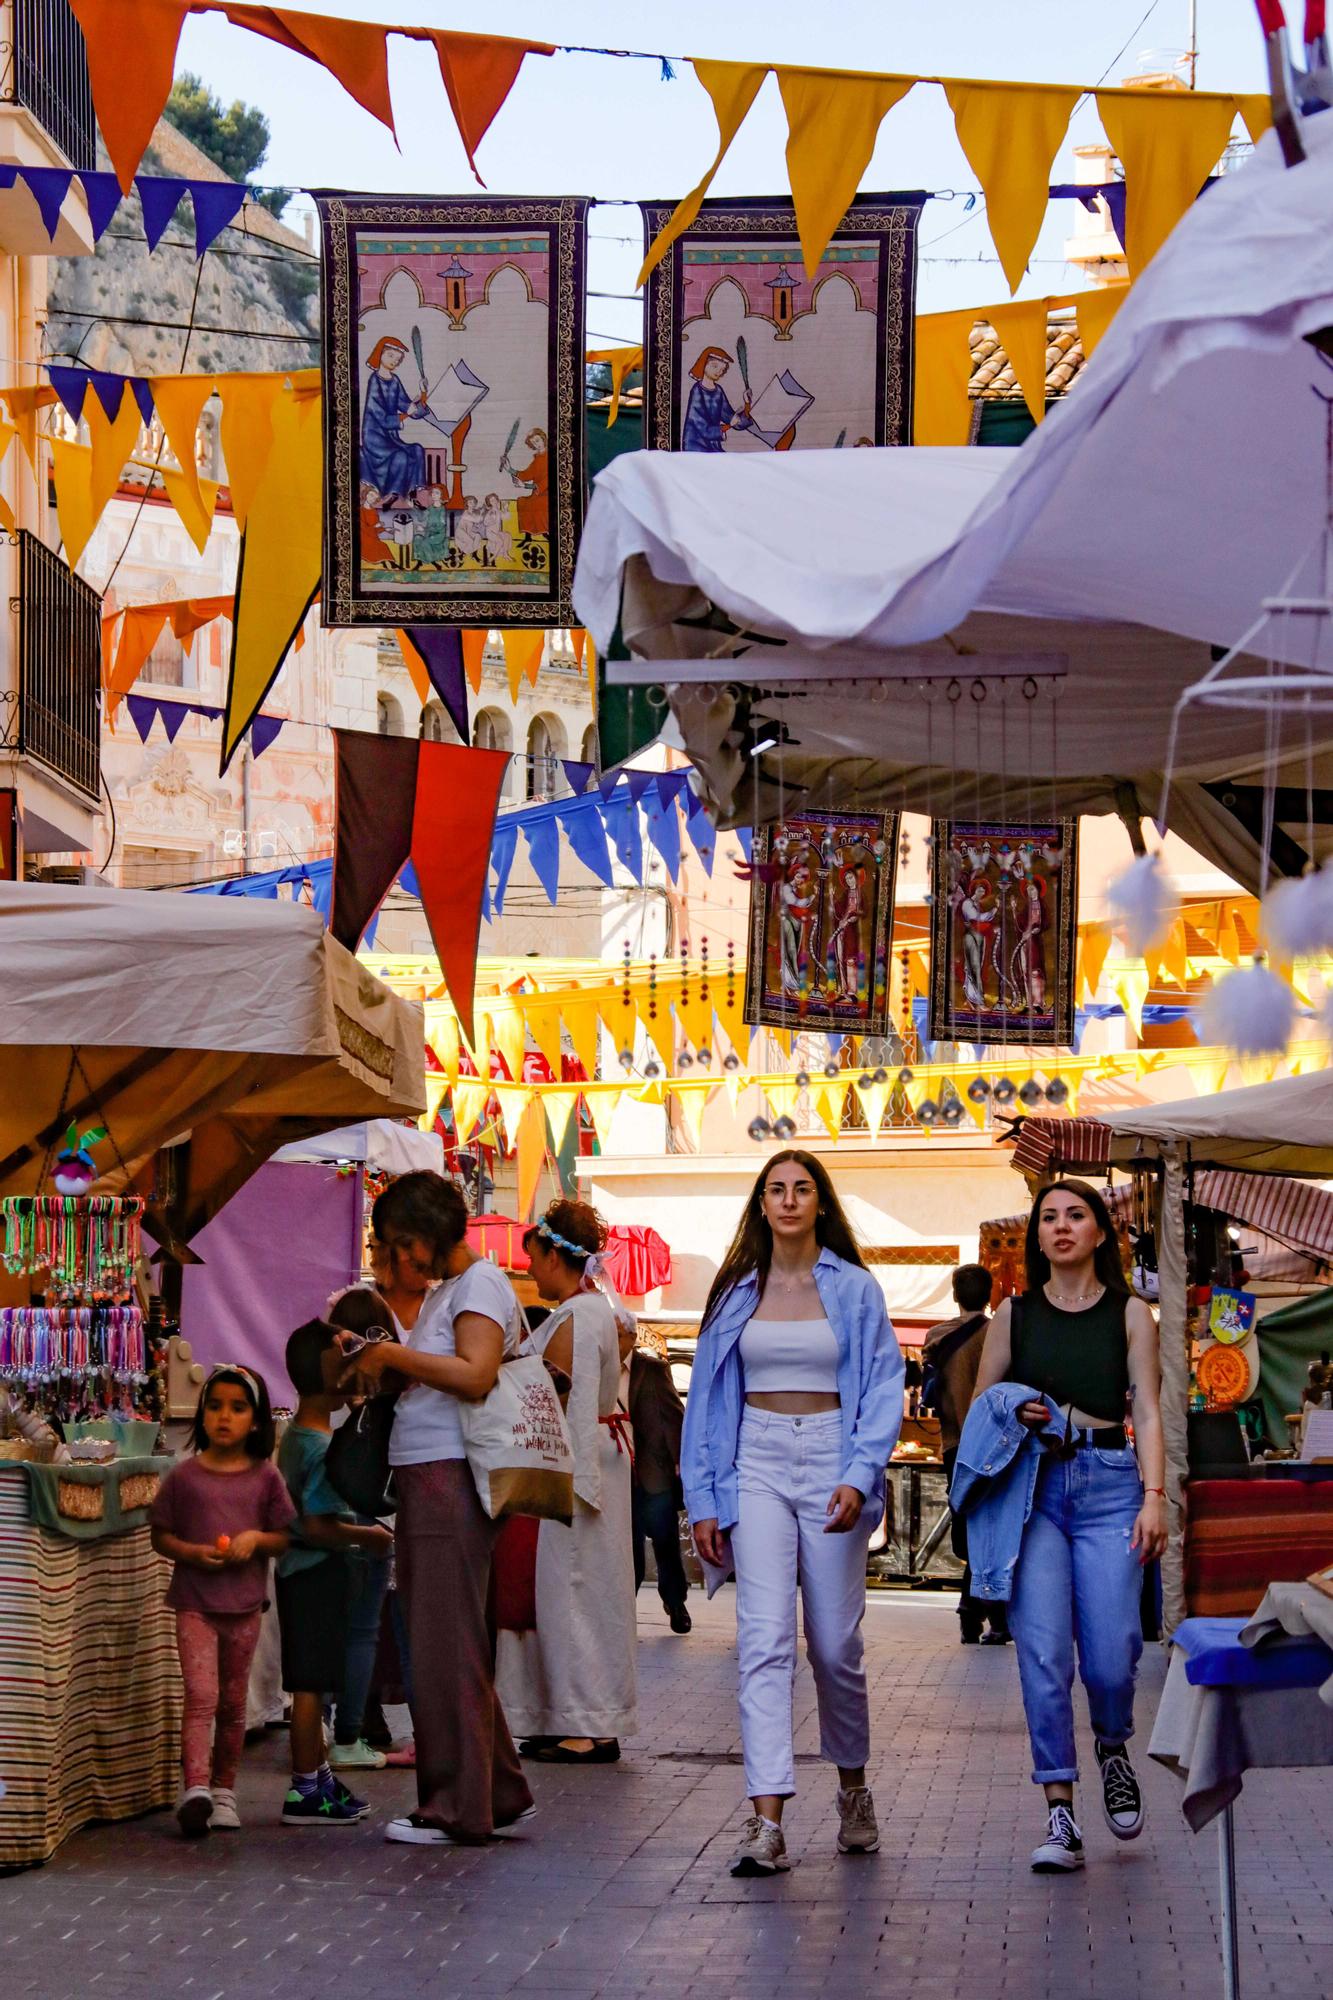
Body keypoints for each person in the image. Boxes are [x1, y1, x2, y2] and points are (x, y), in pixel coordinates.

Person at [683, 1150, 905, 1876]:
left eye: (800, 1189)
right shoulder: (732, 1295)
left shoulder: (855, 1289)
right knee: (763, 1640)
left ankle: (851, 1787)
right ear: (760, 1204)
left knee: (835, 1647)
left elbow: (881, 1387)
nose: (787, 1201)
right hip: (757, 1457)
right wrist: (705, 1498)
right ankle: (765, 1820)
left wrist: (858, 1470)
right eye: (774, 1190)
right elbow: (706, 1407)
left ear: (818, 1202)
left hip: (832, 1456)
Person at [972, 1179, 1167, 1874]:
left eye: (1074, 1215)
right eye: (1047, 1217)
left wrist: (1154, 1496)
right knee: (1044, 1657)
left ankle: (1112, 1747)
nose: (1060, 1227)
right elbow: (980, 1406)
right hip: (1033, 1491)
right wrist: (1011, 1406)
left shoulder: (1129, 1314)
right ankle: (1059, 1810)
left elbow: (1145, 1408)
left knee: (1113, 1655)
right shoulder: (1012, 1317)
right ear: (1037, 1236)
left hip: (1113, 1486)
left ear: (1096, 1233)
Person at [347, 1171, 534, 1845]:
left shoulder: (477, 1285)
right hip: (435, 1475)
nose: (393, 1259)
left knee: (441, 1645)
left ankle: (454, 1806)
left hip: (446, 1475)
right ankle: (498, 1789)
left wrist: (390, 1352)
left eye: (393, 1244)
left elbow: (476, 1372)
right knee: (451, 1642)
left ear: (418, 1238)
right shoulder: (452, 1292)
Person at [497, 1199, 638, 1761]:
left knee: (573, 1594)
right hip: (590, 1464)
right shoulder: (594, 1312)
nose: (530, 1270)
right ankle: (581, 1718)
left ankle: (583, 1723)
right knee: (582, 1596)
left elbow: (569, 1402)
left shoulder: (578, 1318)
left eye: (534, 1257)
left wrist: (573, 1484)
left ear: (557, 1255)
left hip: (575, 1473)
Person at [149, 1365, 293, 1836]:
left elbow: (283, 1537)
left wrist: (255, 1539)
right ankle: (196, 1787)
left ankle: (225, 1789)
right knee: (202, 1696)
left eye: (236, 1408)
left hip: (246, 1608)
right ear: (201, 1416)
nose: (224, 1417)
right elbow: (161, 1536)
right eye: (214, 1407)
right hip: (194, 1604)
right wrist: (191, 1552)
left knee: (233, 1703)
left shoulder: (266, 1478)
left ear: (255, 1420)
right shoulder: (184, 1478)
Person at [276, 1319, 393, 1827]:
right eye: (345, 1357)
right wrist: (373, 1537)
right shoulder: (319, 1447)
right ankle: (305, 1789)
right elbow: (320, 1526)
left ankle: (319, 1777)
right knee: (309, 1688)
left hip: (308, 1575)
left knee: (315, 1682)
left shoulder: (303, 1434)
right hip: (315, 1573)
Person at [324, 1286, 397, 1775]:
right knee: (363, 1632)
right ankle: (349, 1734)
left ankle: (322, 1725)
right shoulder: (394, 1393)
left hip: (330, 1517)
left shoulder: (324, 1396)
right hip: (379, 1518)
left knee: (326, 1629)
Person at [922, 1263, 1008, 1645]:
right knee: (992, 1528)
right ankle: (986, 1613)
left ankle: (973, 1613)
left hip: (954, 1446)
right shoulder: (999, 1335)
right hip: (994, 1445)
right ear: (989, 1296)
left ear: (955, 1295)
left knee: (971, 1527)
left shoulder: (936, 1338)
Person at [628, 1330, 691, 1634]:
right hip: (619, 1475)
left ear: (629, 1337)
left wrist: (680, 1460)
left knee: (666, 1545)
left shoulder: (651, 1369)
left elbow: (674, 1414)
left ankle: (676, 1603)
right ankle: (626, 1609)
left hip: (654, 1475)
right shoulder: (597, 1365)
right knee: (630, 1548)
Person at [361, 336, 427, 500]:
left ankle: (415, 492)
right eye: (390, 356)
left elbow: (407, 405)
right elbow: (380, 417)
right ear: (380, 354)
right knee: (400, 457)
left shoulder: (395, 381)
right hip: (375, 438)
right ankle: (393, 495)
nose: (394, 361)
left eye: (398, 359)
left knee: (417, 449)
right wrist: (405, 415)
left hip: (391, 438)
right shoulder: (374, 380)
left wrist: (423, 395)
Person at [682, 346, 755, 453]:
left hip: (713, 444)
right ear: (704, 364)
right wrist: (725, 427)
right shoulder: (697, 390)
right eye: (714, 366)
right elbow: (700, 425)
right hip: (695, 445)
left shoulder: (718, 391)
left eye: (722, 369)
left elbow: (730, 417)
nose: (718, 372)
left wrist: (747, 404)